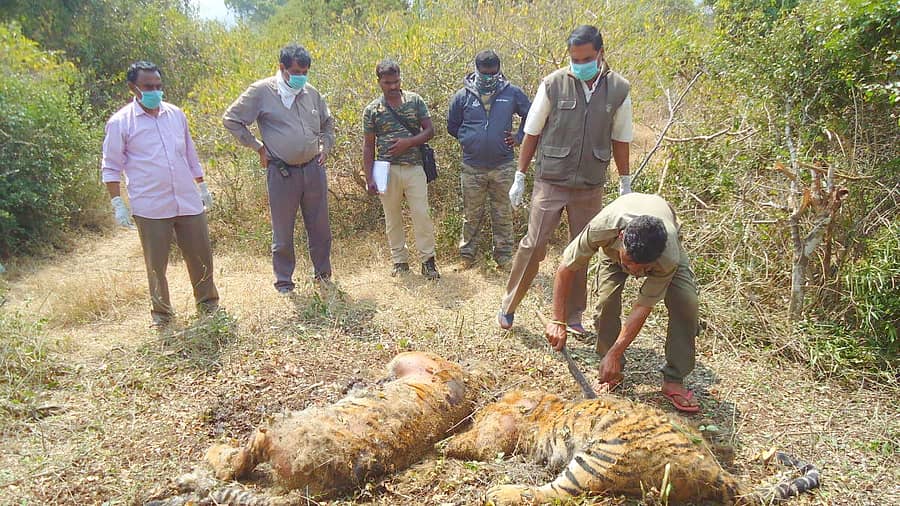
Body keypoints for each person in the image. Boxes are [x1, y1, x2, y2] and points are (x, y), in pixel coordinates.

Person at [498, 24, 633, 332]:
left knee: (580, 250)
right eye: (574, 58)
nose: (579, 64)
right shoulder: (553, 83)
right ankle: (509, 305)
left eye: (586, 58)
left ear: (600, 53)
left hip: (589, 185)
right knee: (534, 245)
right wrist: (520, 175)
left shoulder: (618, 89)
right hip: (551, 180)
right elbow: (532, 132)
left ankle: (573, 317)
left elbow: (621, 138)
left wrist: (625, 183)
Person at [544, 192, 700, 413]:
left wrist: (617, 351)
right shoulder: (602, 228)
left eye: (641, 267)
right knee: (606, 302)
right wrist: (557, 321)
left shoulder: (667, 256)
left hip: (659, 246)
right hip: (613, 250)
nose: (634, 271)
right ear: (621, 236)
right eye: (629, 262)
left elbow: (643, 306)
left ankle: (674, 379)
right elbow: (566, 267)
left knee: (686, 301)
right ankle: (611, 371)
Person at [101, 61, 219, 328]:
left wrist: (202, 186)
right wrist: (117, 202)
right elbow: (111, 165)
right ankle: (162, 315)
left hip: (187, 199)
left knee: (201, 256)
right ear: (133, 88)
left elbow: (190, 154)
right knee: (156, 265)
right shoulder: (120, 122)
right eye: (148, 87)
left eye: (158, 86)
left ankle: (208, 305)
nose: (155, 91)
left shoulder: (175, 114)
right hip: (151, 205)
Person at [223, 44, 335, 294]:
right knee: (283, 231)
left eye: (304, 72)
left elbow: (328, 123)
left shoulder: (311, 92)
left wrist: (325, 146)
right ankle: (284, 282)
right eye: (295, 71)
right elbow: (231, 119)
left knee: (320, 228)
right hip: (282, 173)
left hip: (313, 169)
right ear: (281, 68)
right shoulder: (262, 91)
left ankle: (323, 275)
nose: (300, 77)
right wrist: (258, 147)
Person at [447, 50, 531, 269]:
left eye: (492, 73)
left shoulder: (511, 93)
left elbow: (530, 115)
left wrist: (519, 136)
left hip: (503, 165)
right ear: (477, 70)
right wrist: (469, 139)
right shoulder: (463, 96)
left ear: (499, 70)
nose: (488, 77)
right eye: (484, 73)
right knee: (471, 215)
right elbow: (452, 126)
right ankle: (466, 257)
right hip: (472, 166)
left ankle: (504, 258)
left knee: (502, 212)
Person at [362, 59, 440, 280]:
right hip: (383, 168)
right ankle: (400, 262)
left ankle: (428, 261)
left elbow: (430, 130)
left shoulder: (415, 101)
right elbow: (368, 146)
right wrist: (369, 178)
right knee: (392, 217)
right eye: (388, 83)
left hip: (414, 166)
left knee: (421, 215)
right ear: (379, 82)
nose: (393, 86)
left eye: (396, 81)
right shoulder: (372, 110)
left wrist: (409, 142)